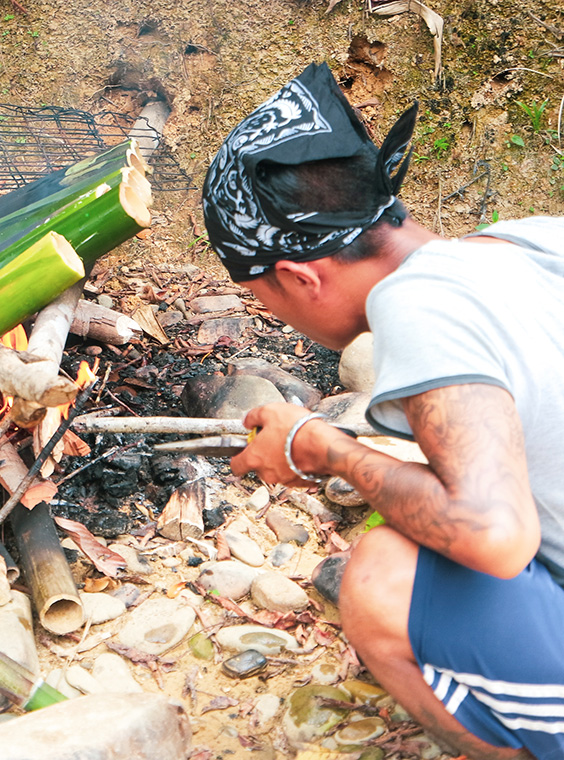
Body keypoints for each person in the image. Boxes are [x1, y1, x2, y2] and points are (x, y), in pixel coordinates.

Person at [202, 62, 564, 760]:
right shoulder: (530, 240)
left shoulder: (418, 304)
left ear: (300, 276)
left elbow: (494, 534)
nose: (270, 312)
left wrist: (320, 446)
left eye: (260, 297)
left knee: (380, 577)